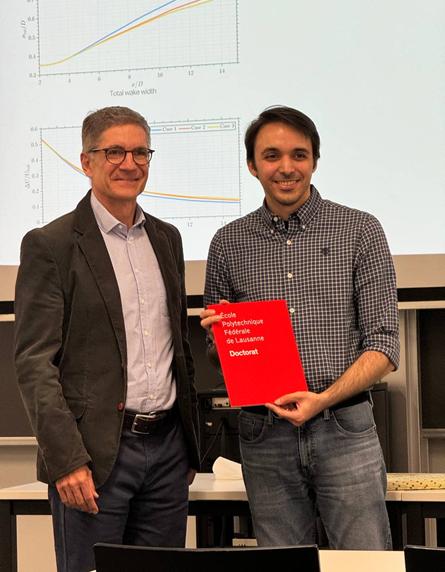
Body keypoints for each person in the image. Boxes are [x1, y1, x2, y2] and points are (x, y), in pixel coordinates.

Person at [200, 106, 399, 549]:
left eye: (299, 155)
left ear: (315, 161)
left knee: (364, 563)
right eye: (272, 156)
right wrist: (222, 338)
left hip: (344, 427)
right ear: (252, 165)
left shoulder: (360, 230)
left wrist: (322, 399)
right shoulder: (228, 243)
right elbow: (220, 357)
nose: (286, 167)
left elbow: (384, 345)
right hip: (264, 434)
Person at [14, 106, 200, 572]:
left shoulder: (167, 239)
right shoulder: (51, 244)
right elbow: (35, 364)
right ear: (86, 161)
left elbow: (177, 345)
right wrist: (66, 460)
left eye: (140, 152)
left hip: (167, 452)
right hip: (93, 459)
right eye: (114, 151)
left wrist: (189, 445)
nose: (129, 164)